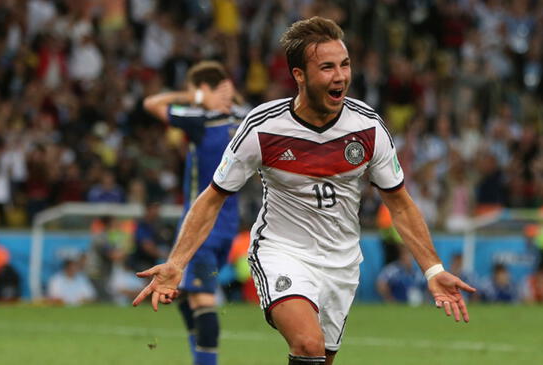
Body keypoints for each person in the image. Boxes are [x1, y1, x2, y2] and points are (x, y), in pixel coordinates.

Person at [133, 17, 475, 365]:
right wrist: (176, 263)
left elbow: (399, 204)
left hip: (342, 263)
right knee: (308, 345)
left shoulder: (368, 128)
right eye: (326, 67)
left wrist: (433, 269)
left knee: (320, 358)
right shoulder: (262, 128)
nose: (340, 76)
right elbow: (212, 197)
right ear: (299, 75)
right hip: (282, 251)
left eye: (344, 64)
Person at [143, 60, 247, 365]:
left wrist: (195, 99)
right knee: (184, 296)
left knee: (203, 303)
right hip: (228, 225)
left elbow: (151, 103)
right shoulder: (243, 119)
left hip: (201, 226)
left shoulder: (201, 120)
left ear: (201, 90)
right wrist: (231, 97)